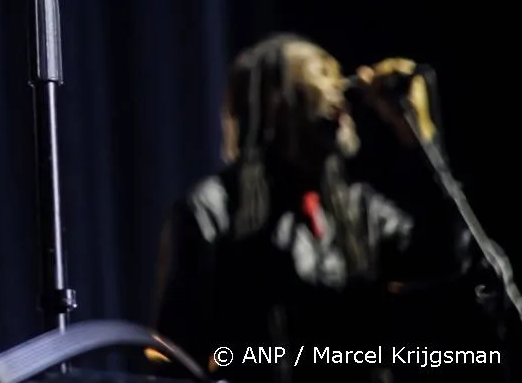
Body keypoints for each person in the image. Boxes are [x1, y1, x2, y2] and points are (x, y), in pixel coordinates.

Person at [151, 33, 511, 381]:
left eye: (339, 75)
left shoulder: (358, 211)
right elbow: (175, 354)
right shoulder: (212, 211)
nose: (341, 88)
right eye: (322, 73)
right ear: (277, 101)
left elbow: (444, 257)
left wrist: (420, 139)